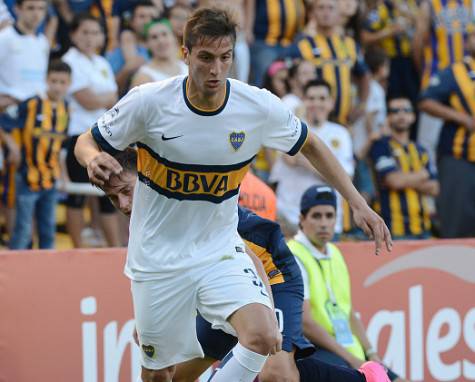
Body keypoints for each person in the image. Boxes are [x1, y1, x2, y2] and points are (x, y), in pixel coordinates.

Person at [74, 7, 391, 382]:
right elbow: (86, 141)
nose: (215, 70)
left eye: (225, 58)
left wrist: (358, 202)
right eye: (205, 58)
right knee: (161, 376)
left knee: (262, 337)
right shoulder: (149, 102)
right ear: (185, 53)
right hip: (157, 258)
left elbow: (311, 144)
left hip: (218, 249)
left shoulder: (255, 106)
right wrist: (93, 158)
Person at [99, 151, 391, 382]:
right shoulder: (145, 227)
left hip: (270, 272)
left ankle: (366, 378)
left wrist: (263, 312)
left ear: (148, 176)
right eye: (114, 198)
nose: (124, 204)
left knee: (277, 374)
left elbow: (246, 256)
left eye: (127, 190)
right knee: (175, 375)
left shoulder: (184, 205)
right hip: (220, 287)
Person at [288, 185, 404, 382]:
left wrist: (371, 353)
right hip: (316, 349)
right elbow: (305, 323)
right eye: (316, 216)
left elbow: (348, 313)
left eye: (329, 215)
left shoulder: (335, 253)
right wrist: (353, 359)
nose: (324, 223)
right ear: (301, 220)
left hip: (346, 349)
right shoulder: (293, 254)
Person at [62, 13, 121, 248]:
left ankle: (114, 248)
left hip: (105, 136)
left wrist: (102, 98)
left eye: (95, 32)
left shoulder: (102, 63)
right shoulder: (69, 61)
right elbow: (85, 100)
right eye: (84, 32)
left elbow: (114, 99)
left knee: (110, 194)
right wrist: (103, 99)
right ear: (74, 34)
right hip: (78, 136)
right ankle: (77, 248)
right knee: (77, 195)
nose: (90, 37)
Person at [271, 79, 354, 235]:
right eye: (311, 98)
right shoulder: (293, 128)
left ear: (331, 103)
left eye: (322, 98)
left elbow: (346, 177)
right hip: (289, 217)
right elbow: (288, 160)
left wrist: (309, 162)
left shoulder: (340, 134)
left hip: (326, 221)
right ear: (303, 101)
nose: (316, 103)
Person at [418, 26, 475, 238]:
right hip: (460, 158)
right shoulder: (456, 72)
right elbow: (426, 100)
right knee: (457, 222)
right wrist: (461, 118)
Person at [0, 0, 49, 241]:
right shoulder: (5, 38)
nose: (36, 13)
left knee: (32, 183)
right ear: (17, 9)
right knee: (13, 185)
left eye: (40, 8)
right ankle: (14, 247)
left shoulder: (42, 42)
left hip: (37, 122)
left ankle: (27, 244)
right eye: (30, 7)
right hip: (11, 121)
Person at [9, 60, 71, 249]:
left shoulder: (65, 108)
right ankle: (12, 274)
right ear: (46, 80)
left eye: (63, 82)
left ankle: (47, 274)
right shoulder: (31, 104)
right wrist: (12, 146)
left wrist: (63, 174)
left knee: (48, 229)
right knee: (24, 229)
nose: (58, 86)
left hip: (51, 179)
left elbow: (61, 147)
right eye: (54, 81)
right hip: (28, 177)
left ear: (69, 83)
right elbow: (4, 120)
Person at [285, 0, 370, 126]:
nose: (326, 13)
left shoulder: (349, 44)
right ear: (313, 13)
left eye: (330, 8)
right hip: (311, 122)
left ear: (338, 13)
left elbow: (364, 75)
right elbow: (283, 75)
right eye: (321, 8)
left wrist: (362, 104)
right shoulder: (302, 44)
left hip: (344, 121)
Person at [370, 96, 439, 239]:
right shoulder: (381, 146)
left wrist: (404, 178)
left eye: (406, 110)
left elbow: (435, 188)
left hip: (423, 229)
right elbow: (394, 181)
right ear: (388, 117)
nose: (401, 115)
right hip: (393, 230)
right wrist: (423, 175)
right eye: (395, 111)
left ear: (413, 116)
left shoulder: (421, 150)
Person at [413, 0, 473, 163]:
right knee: (427, 145)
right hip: (437, 80)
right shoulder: (430, 4)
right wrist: (425, 73)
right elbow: (418, 42)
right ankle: (429, 184)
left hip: (468, 84)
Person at [361, 0, 419, 111]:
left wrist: (404, 11)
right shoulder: (381, 9)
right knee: (393, 96)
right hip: (389, 60)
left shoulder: (412, 5)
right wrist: (389, 32)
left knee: (413, 97)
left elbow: (423, 23)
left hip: (411, 60)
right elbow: (365, 36)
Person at [244, 0, 306, 87]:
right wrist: (248, 29)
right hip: (264, 41)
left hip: (291, 43)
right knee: (266, 76)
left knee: (302, 71)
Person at [106, 0, 160, 94]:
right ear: (131, 21)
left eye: (152, 17)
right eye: (142, 16)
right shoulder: (117, 52)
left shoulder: (166, 48)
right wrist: (128, 69)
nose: (147, 21)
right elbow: (108, 91)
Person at [131, 18, 187, 87]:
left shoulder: (188, 67)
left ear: (174, 38)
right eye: (154, 37)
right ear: (147, 44)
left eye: (164, 34)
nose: (161, 41)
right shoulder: (143, 77)